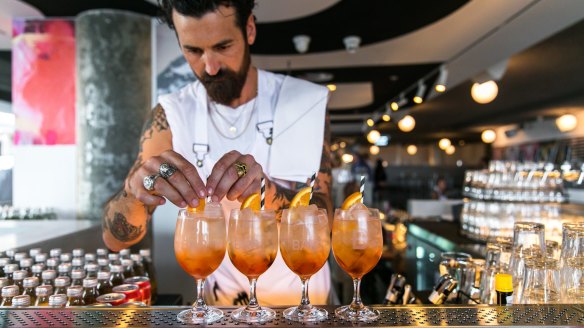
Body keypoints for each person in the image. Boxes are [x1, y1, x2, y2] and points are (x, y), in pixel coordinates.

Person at [101, 0, 332, 306]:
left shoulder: (304, 103)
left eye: (223, 46)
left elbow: (325, 225)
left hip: (305, 304)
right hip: (220, 309)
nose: (209, 67)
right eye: (193, 51)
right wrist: (134, 190)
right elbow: (114, 240)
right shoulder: (170, 115)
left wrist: (268, 191)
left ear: (249, 29)